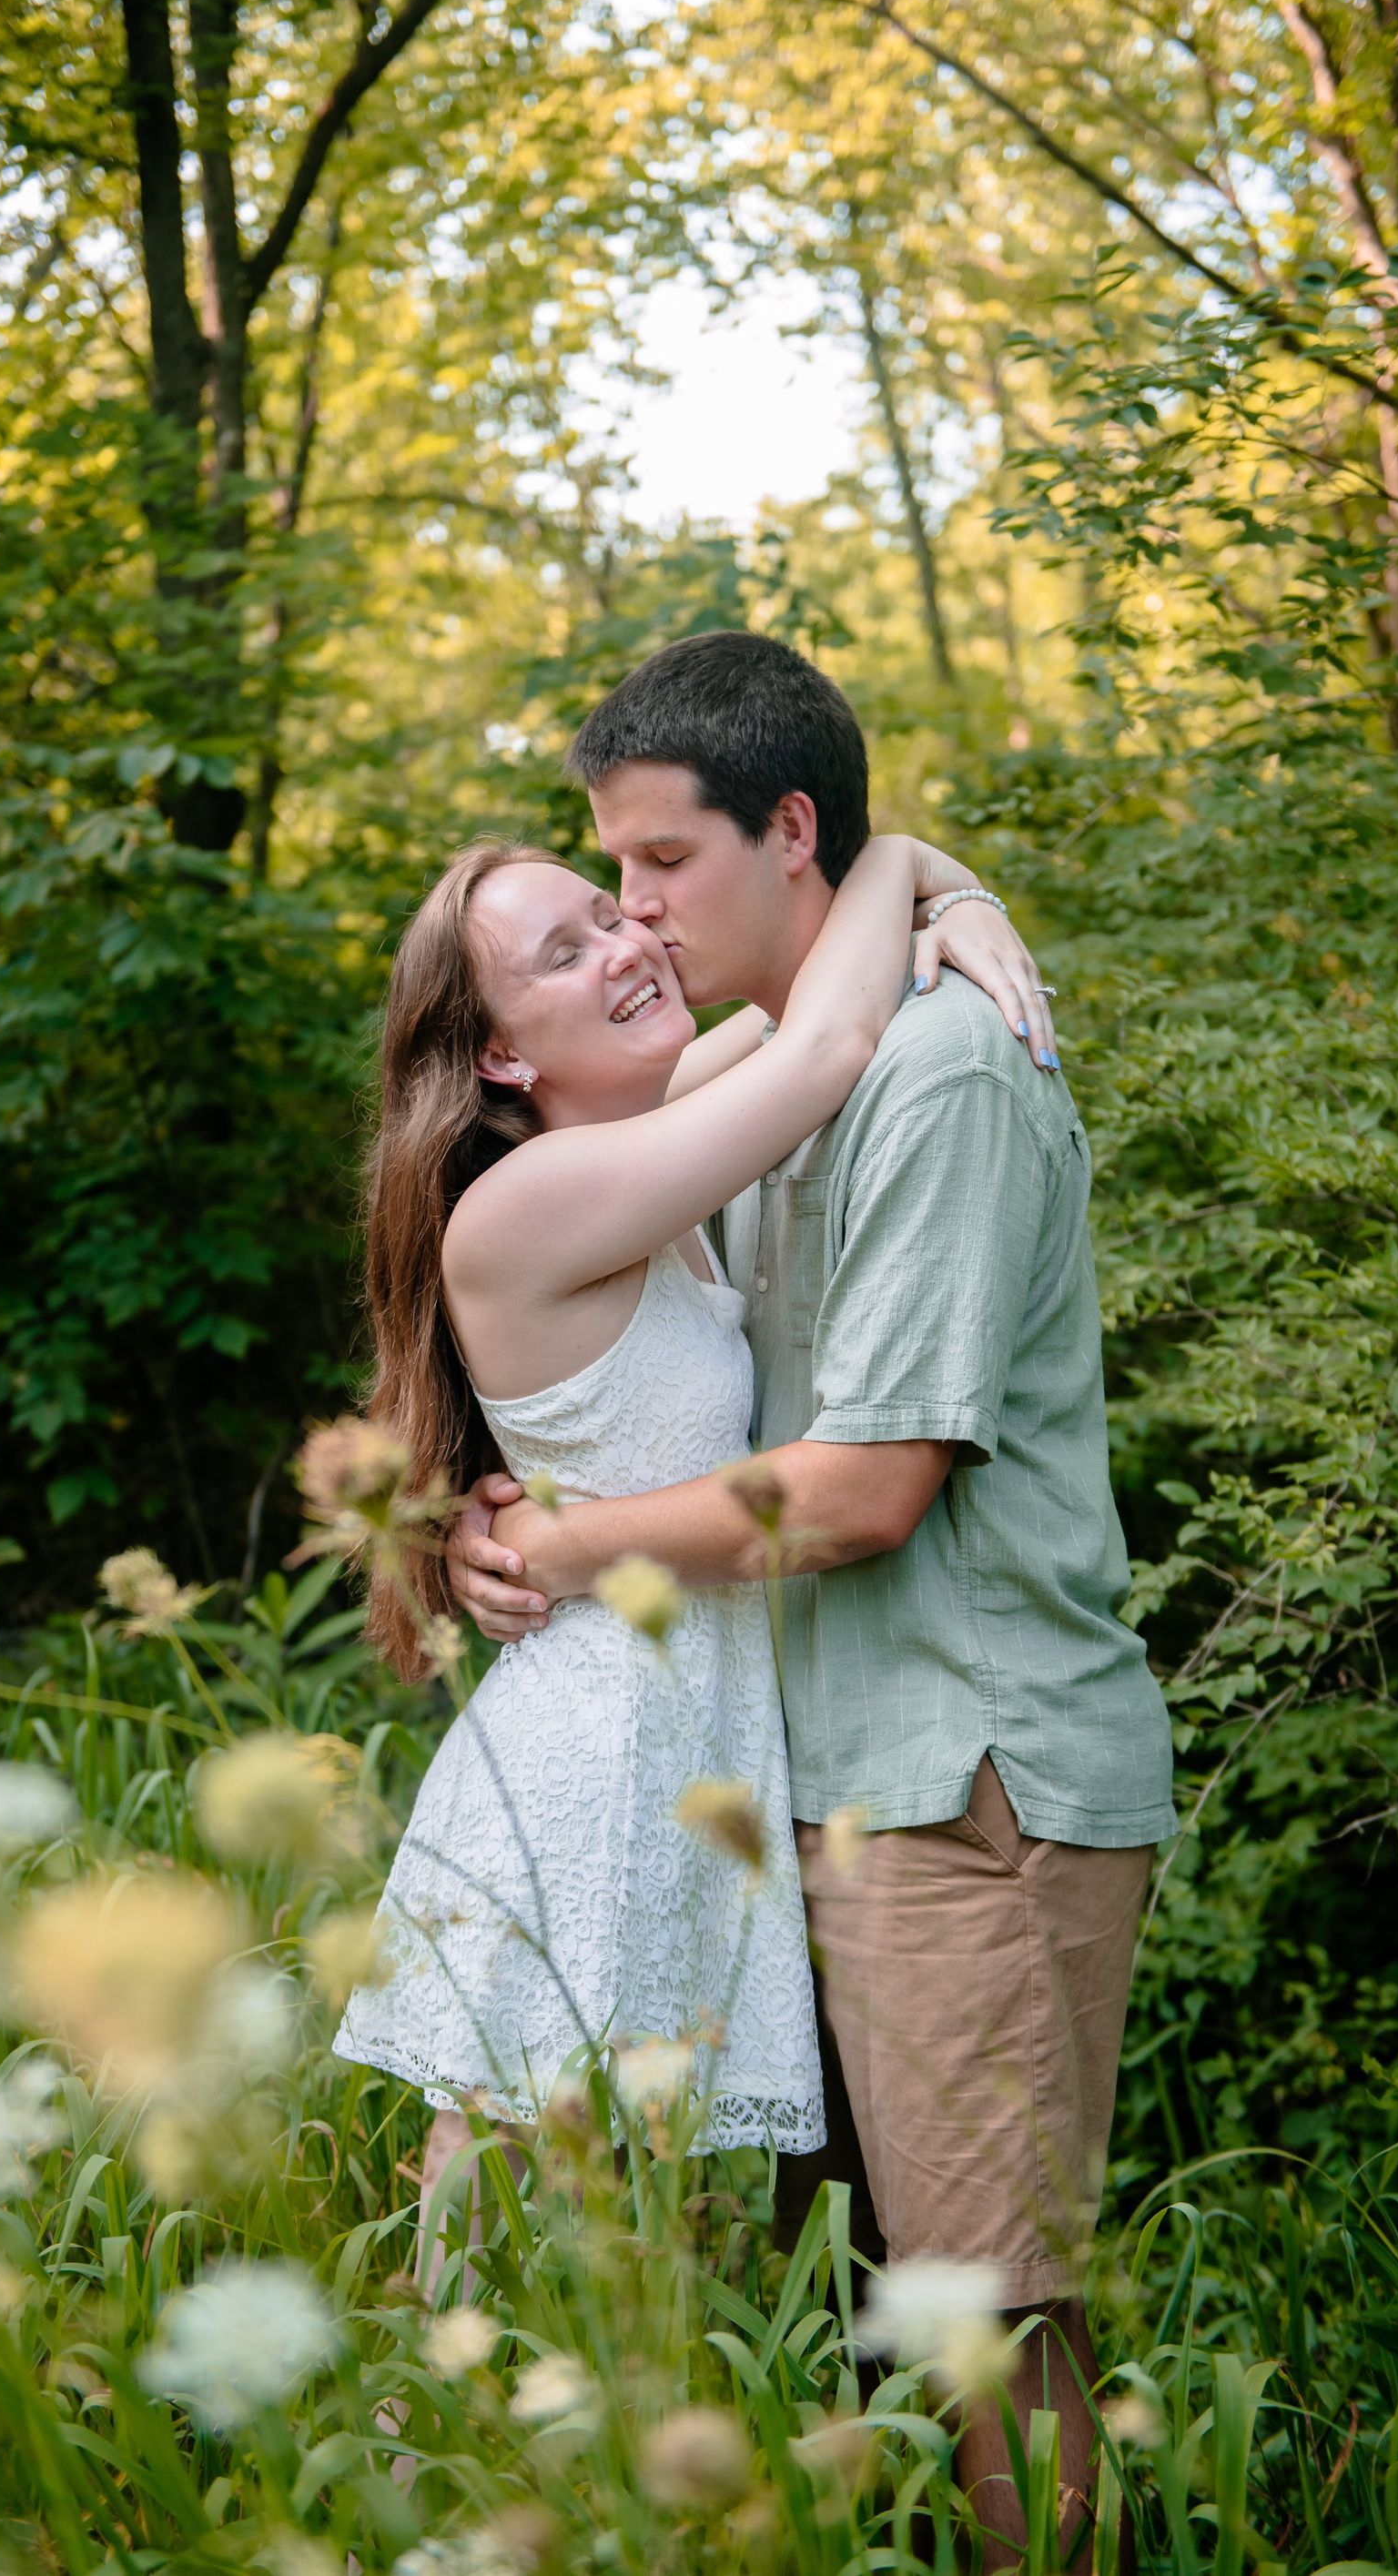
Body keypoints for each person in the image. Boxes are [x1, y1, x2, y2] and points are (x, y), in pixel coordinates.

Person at [448, 631, 1176, 2564]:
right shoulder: (761, 1076)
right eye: (605, 885)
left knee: (985, 2316)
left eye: (659, 868)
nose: (635, 914)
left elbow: (863, 1489)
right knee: (848, 2322)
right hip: (801, 1781)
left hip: (967, 1774)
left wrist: (562, 1545)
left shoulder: (931, 1071)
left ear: (786, 835)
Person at [333, 810, 1045, 2275]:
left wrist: (946, 917)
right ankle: (415, 2500)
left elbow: (809, 1018)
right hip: (604, 1763)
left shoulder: (634, 1142)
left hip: (686, 1738)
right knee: (505, 2238)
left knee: (623, 2255)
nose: (630, 939)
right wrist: (910, 859)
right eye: (567, 950)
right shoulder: (533, 1197)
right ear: (503, 1061)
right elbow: (825, 1050)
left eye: (615, 911)